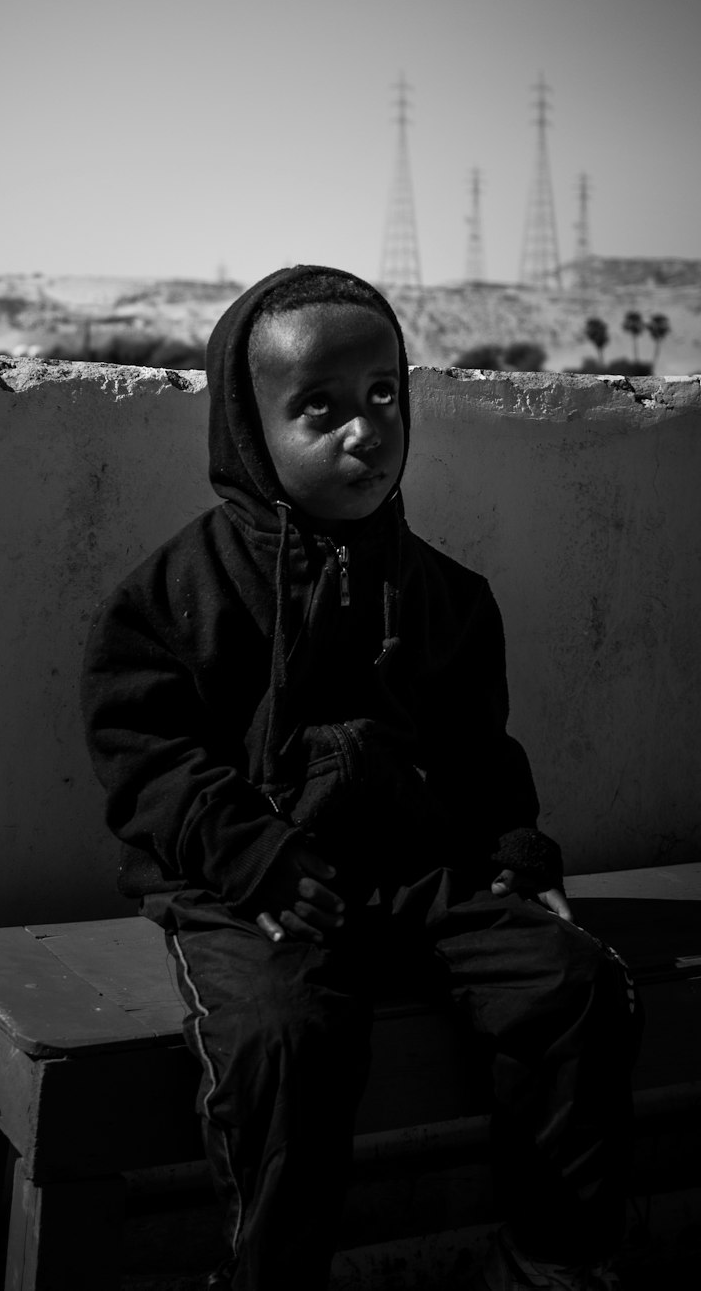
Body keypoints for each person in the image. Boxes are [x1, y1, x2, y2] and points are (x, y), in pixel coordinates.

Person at [81, 265, 640, 1291]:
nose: (363, 431)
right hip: (262, 888)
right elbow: (147, 757)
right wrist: (253, 853)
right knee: (283, 1041)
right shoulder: (174, 597)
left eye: (382, 394)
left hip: (421, 871)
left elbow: (479, 752)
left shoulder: (443, 592)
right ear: (252, 428)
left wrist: (512, 847)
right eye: (319, 408)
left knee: (573, 984)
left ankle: (554, 1261)